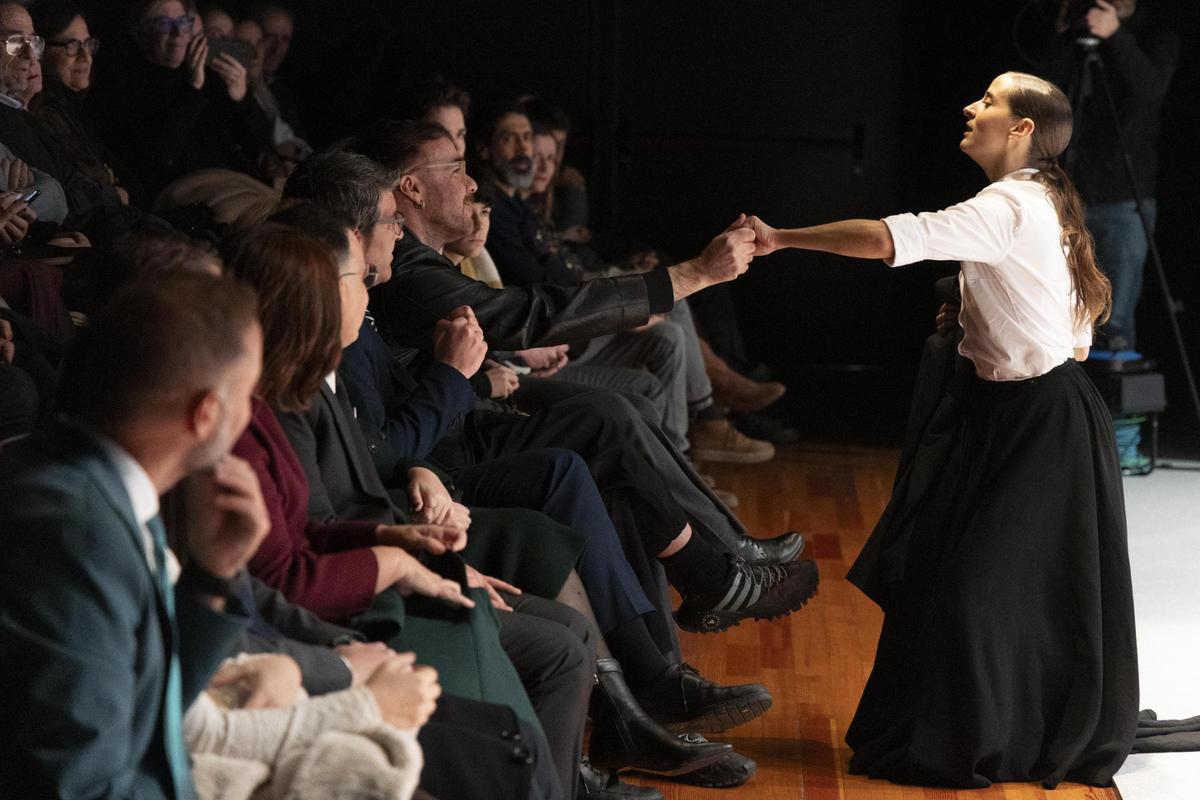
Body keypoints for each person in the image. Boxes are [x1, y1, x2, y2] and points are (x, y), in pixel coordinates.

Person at [745, 72, 1136, 788]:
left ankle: (986, 744)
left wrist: (781, 238)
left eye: (989, 101)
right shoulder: (1044, 198)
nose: (970, 107)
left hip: (1044, 428)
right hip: (1017, 417)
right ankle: (996, 731)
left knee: (977, 596)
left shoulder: (1012, 205)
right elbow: (1075, 336)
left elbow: (893, 239)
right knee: (948, 584)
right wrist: (975, 323)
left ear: (1022, 130)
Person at [0, 272, 271, 798]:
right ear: (206, 413)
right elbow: (83, 788)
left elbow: (138, 716)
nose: (253, 413)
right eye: (248, 394)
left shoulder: (93, 479)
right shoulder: (73, 533)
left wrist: (210, 578)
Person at [1051, 0, 1179, 351]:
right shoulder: (1077, 34)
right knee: (1054, 313)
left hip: (1125, 197)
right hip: (1068, 194)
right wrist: (1061, 34)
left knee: (1113, 324)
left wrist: (1116, 35)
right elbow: (1048, 97)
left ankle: (1114, 405)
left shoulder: (1155, 36)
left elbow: (1151, 88)